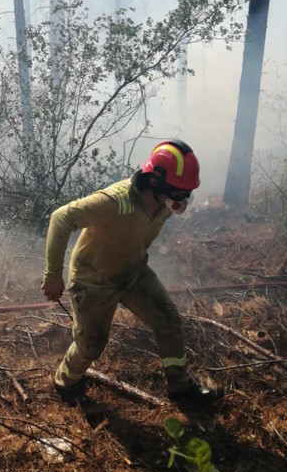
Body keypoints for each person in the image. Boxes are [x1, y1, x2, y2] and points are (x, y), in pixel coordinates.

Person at [41, 139, 222, 407]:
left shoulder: (163, 203)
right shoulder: (115, 201)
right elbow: (61, 218)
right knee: (91, 344)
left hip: (134, 273)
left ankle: (180, 389)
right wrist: (53, 275)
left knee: (168, 321)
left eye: (186, 194)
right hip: (94, 281)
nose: (182, 201)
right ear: (154, 182)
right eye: (178, 193)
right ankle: (65, 382)